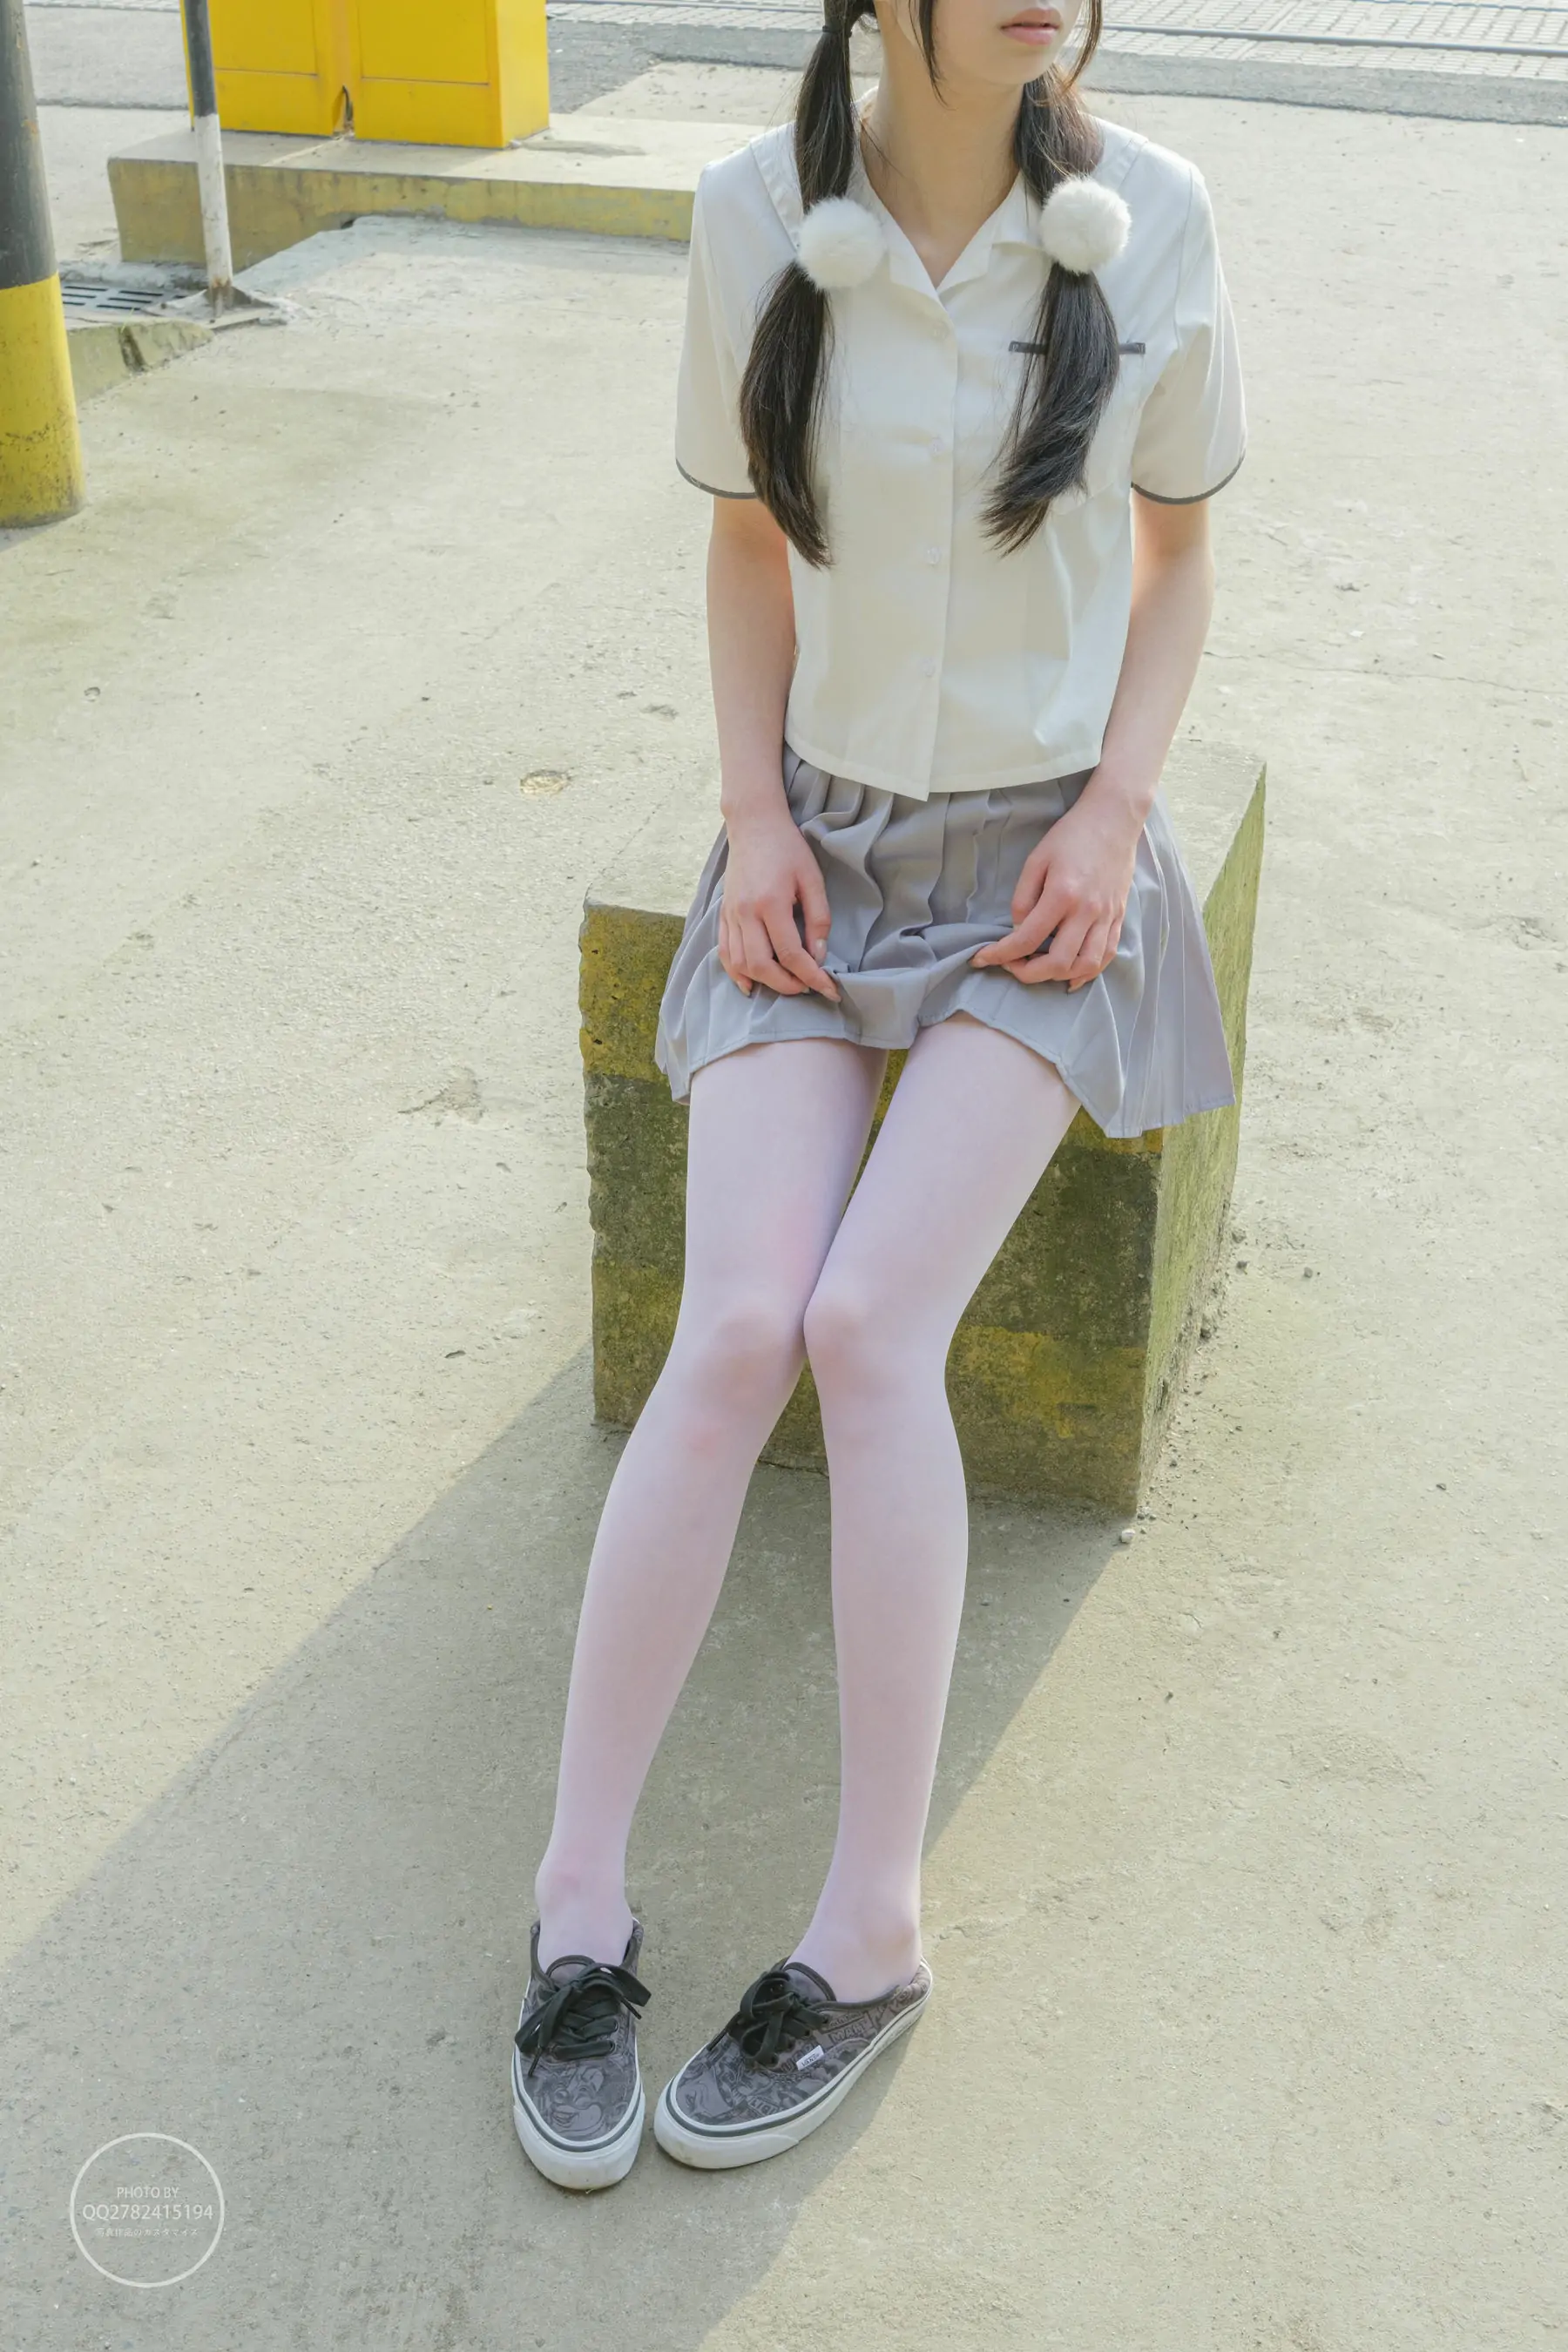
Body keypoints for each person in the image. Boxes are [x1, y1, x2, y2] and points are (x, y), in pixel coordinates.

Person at [512, 0, 1247, 2191]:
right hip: (819, 849)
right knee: (738, 1326)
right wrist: (751, 820)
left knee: (864, 1324)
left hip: (1044, 869)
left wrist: (1115, 814)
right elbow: (750, 544)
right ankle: (576, 1908)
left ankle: (872, 1932)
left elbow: (1181, 559)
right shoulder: (757, 215)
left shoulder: (1157, 219)